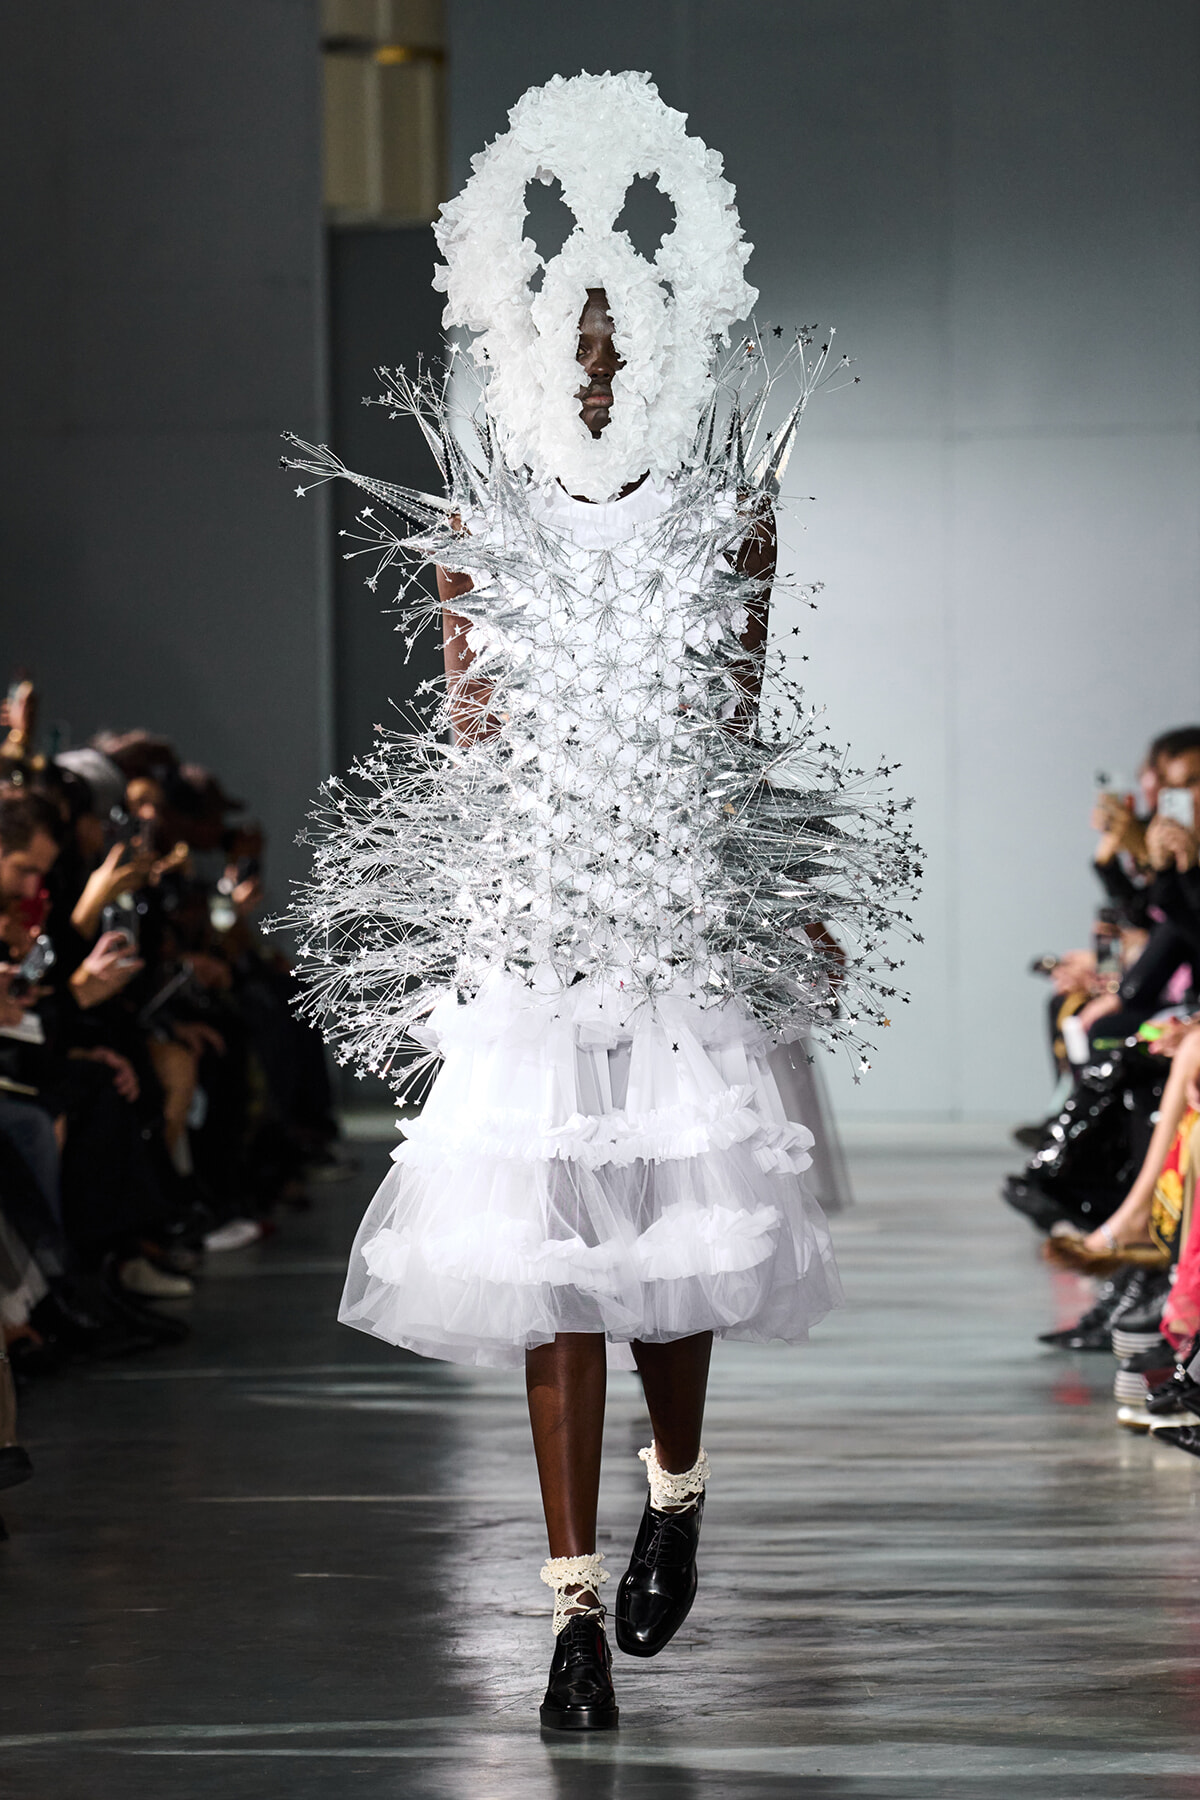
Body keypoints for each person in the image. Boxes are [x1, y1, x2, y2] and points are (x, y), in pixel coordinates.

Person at [283, 72, 916, 1730]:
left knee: (672, 1249)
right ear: (530, 356)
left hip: (679, 918)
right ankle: (570, 1615)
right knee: (550, 1260)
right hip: (534, 919)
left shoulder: (731, 505)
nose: (594, 362)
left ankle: (679, 1491)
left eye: (618, 335)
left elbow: (732, 715)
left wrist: (766, 887)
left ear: (658, 346)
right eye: (569, 337)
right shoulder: (477, 516)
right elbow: (470, 718)